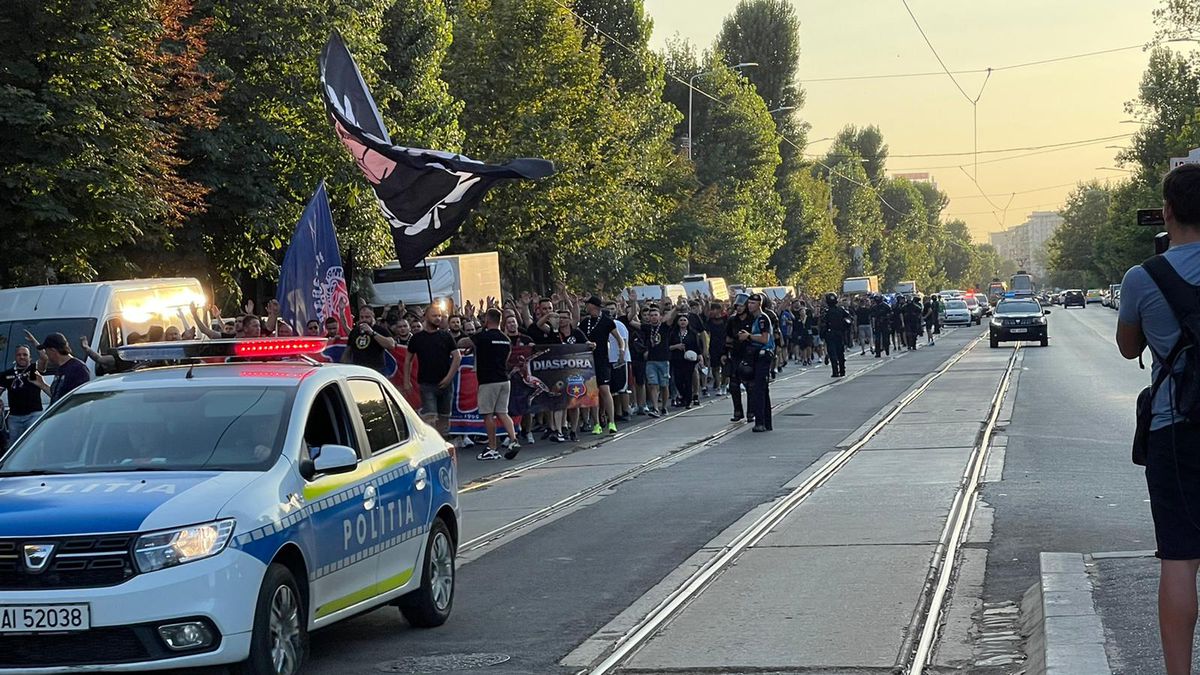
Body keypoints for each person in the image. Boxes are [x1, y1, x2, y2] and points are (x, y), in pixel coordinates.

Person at [1115, 163, 1200, 675]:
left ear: (1167, 213)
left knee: (1179, 558)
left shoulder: (1142, 278)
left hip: (1174, 432)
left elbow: (1129, 349)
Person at [463, 309, 521, 461]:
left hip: (488, 381)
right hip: (504, 379)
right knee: (502, 412)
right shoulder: (505, 338)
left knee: (487, 414)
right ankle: (514, 441)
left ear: (487, 320)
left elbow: (462, 342)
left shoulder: (482, 336)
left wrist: (476, 339)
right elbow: (507, 357)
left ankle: (492, 448)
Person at [404, 305, 462, 436]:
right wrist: (406, 381)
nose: (437, 319)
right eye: (434, 316)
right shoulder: (417, 338)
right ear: (425, 317)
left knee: (444, 417)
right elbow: (408, 360)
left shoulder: (446, 336)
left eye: (439, 316)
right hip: (427, 383)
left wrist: (449, 378)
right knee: (430, 417)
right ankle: (432, 443)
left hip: (446, 384)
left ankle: (442, 443)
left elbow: (457, 356)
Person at [579, 296, 625, 435]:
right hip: (588, 361)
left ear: (594, 306)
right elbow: (579, 337)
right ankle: (596, 423)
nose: (587, 308)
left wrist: (621, 351)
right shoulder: (585, 322)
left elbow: (619, 338)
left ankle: (611, 421)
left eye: (588, 305)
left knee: (605, 389)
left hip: (602, 359)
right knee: (592, 392)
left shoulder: (607, 322)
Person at [740, 293, 774, 432]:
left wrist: (748, 336)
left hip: (763, 354)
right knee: (762, 389)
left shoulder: (762, 319)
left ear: (759, 304)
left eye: (753, 303)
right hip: (757, 355)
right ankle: (766, 422)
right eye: (749, 303)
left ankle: (760, 422)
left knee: (759, 389)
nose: (750, 306)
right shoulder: (755, 319)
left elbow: (765, 339)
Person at [28, 333, 90, 404]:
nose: (46, 353)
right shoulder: (60, 368)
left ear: (53, 350)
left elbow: (80, 400)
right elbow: (58, 397)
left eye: (46, 350)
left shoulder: (78, 369)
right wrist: (42, 384)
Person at [2, 346, 43, 441]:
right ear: (15, 357)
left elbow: (44, 357)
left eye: (25, 355)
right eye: (19, 355)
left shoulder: (34, 370)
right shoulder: (7, 374)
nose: (22, 357)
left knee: (34, 443)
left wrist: (34, 342)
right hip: (14, 417)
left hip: (33, 414)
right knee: (15, 447)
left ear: (30, 358)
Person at [342, 305, 396, 372]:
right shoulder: (355, 331)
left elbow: (391, 345)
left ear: (372, 316)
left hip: (376, 371)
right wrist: (344, 368)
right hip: (358, 370)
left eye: (367, 317)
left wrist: (372, 333)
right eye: (362, 317)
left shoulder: (379, 329)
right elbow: (347, 351)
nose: (364, 319)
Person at [640, 305, 671, 418]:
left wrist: (676, 308)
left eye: (655, 315)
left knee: (664, 385)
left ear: (660, 316)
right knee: (653, 384)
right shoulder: (647, 327)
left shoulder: (664, 326)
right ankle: (655, 407)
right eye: (651, 315)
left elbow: (670, 317)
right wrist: (634, 303)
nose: (653, 317)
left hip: (664, 359)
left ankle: (664, 406)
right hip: (651, 361)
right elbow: (631, 321)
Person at [668, 314, 702, 410]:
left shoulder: (693, 333)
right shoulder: (673, 333)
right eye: (681, 320)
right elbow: (668, 346)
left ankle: (689, 400)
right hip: (677, 359)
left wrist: (700, 356)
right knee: (678, 380)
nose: (682, 322)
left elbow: (697, 346)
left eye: (684, 320)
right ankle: (683, 396)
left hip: (689, 360)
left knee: (688, 380)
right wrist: (676, 346)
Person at [820, 293, 850, 378]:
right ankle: (842, 370)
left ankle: (835, 371)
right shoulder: (841, 310)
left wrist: (822, 334)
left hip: (831, 334)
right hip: (839, 333)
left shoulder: (826, 312)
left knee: (833, 353)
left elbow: (822, 324)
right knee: (840, 352)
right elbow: (849, 319)